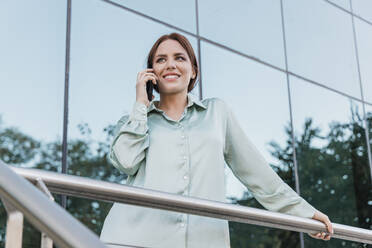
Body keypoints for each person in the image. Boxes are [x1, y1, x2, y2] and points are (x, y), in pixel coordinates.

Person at [100, 32, 333, 248]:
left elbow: (255, 171)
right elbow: (125, 162)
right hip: (133, 239)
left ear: (194, 71)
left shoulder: (216, 113)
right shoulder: (135, 120)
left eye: (179, 58)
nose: (170, 64)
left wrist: (304, 212)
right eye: (161, 60)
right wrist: (141, 103)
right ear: (151, 73)